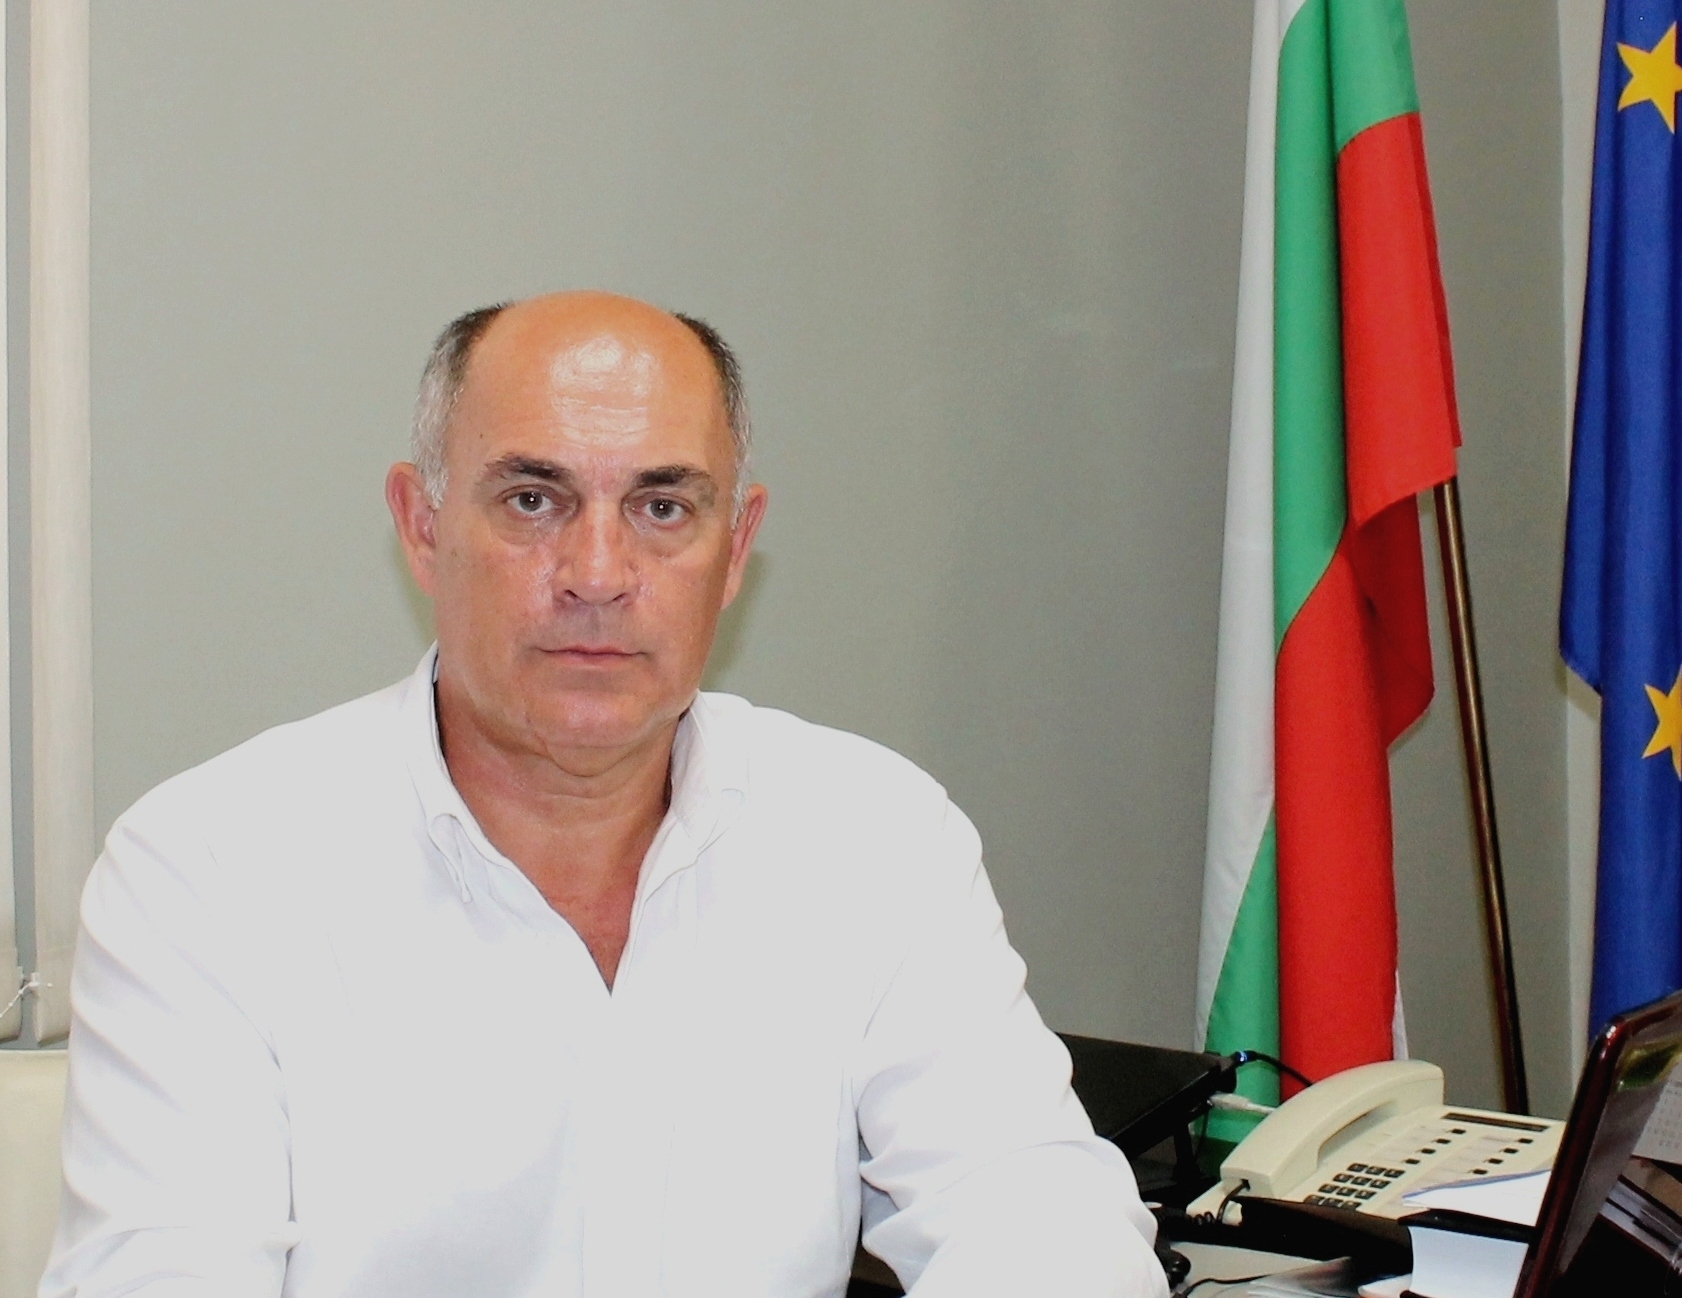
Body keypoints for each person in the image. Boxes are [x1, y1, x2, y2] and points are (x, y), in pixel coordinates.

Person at [39, 292, 1168, 1298]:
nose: (596, 573)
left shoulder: (872, 834)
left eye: (662, 508)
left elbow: (1042, 1215)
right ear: (423, 526)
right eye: (533, 499)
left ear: (737, 547)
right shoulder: (209, 869)